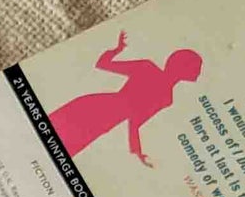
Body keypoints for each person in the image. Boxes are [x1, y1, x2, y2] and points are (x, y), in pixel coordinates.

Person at [49, 32, 201, 165]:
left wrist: (138, 152)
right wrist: (117, 49)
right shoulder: (148, 70)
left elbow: (135, 122)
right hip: (96, 108)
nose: (199, 72)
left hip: (105, 120)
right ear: (183, 68)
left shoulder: (166, 97)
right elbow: (102, 64)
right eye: (196, 67)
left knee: (60, 149)